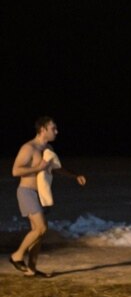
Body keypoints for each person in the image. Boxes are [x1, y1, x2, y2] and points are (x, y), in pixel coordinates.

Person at [9, 117, 86, 278]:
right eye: (53, 128)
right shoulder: (29, 148)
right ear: (43, 129)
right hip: (27, 192)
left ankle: (31, 269)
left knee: (38, 232)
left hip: (40, 195)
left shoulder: (48, 148)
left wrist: (75, 175)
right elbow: (15, 171)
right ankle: (17, 256)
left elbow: (57, 168)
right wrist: (38, 168)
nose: (56, 131)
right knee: (41, 228)